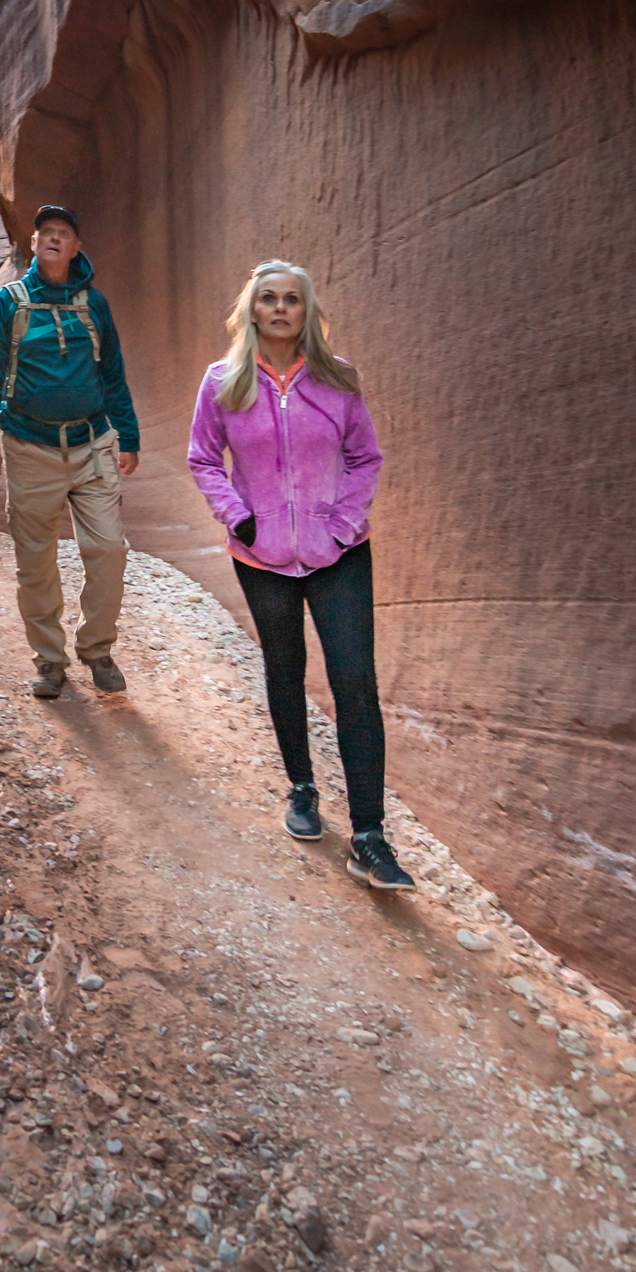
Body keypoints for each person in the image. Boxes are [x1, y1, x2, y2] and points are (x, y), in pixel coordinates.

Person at [186, 261, 415, 890]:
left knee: (354, 682)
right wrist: (238, 518)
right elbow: (204, 458)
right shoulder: (223, 382)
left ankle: (369, 835)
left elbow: (366, 456)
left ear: (306, 312)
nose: (281, 308)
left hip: (339, 552)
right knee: (284, 668)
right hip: (261, 556)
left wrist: (343, 526)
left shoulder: (337, 380)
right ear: (252, 311)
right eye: (269, 299)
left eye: (292, 299)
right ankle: (302, 788)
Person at [0, 203, 139, 700]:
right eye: (45, 232)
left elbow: (112, 374)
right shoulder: (11, 302)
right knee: (36, 561)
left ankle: (97, 648)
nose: (52, 238)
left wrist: (127, 437)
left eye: (63, 233)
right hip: (29, 447)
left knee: (109, 549)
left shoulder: (94, 304)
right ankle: (48, 660)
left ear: (75, 247)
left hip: (90, 444)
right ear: (34, 243)